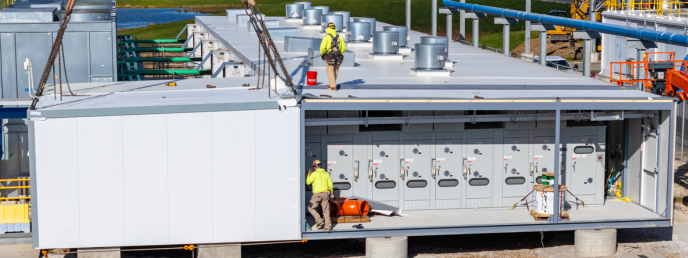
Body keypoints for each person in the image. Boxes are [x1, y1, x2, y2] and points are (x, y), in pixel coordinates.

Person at [306, 160, 334, 232]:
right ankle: (327, 227)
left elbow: (308, 182)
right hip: (325, 193)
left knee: (310, 208)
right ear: (320, 166)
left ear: (314, 167)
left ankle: (319, 221)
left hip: (317, 194)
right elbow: (330, 185)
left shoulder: (314, 174)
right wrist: (331, 193)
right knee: (326, 211)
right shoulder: (326, 174)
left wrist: (308, 174)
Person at [320, 22, 346, 91]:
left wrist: (322, 53)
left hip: (330, 55)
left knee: (330, 70)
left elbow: (322, 47)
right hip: (338, 54)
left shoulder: (327, 37)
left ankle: (333, 86)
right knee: (336, 69)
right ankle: (331, 84)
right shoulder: (339, 37)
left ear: (328, 28)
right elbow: (343, 47)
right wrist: (340, 53)